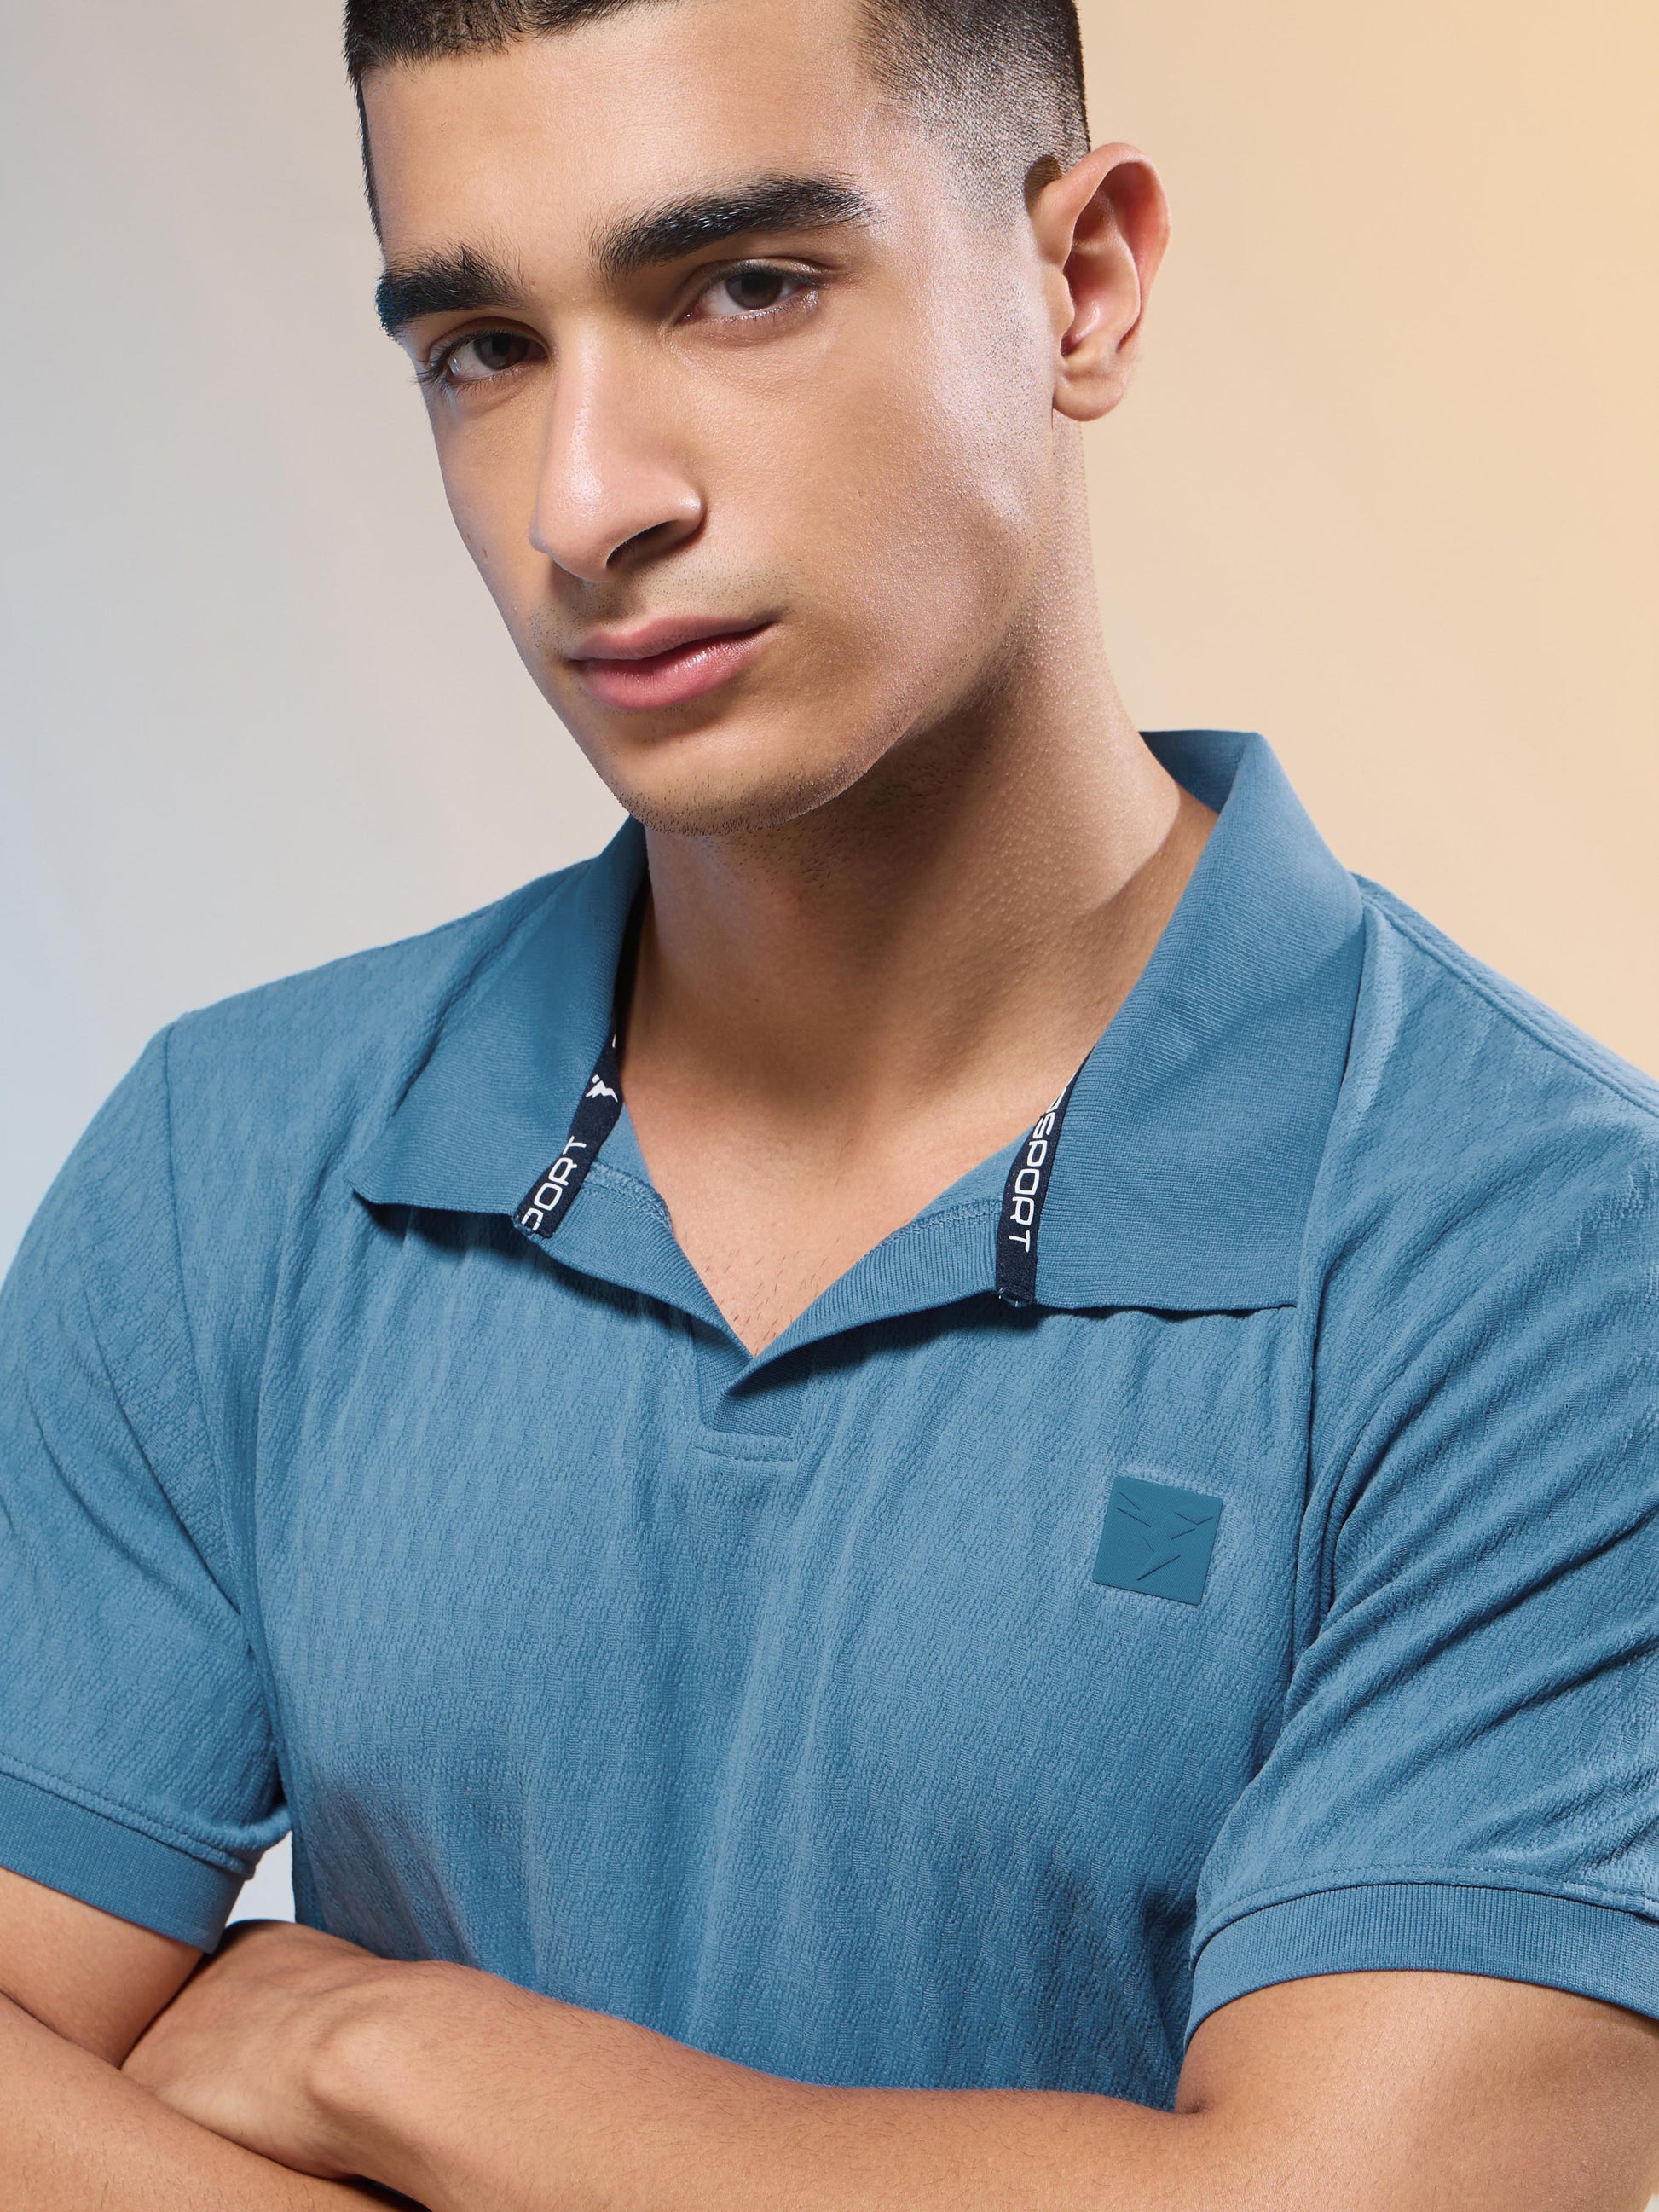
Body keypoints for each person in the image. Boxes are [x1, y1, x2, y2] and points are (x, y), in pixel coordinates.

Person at [1, 0, 1654, 2202]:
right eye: (483, 347)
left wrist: (388, 2046)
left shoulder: (1555, 1264)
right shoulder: (230, 1164)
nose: (587, 503)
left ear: (1083, 283)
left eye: (745, 287)